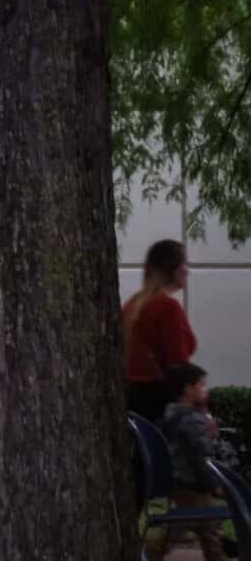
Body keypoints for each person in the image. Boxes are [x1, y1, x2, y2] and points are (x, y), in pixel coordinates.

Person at [145, 363, 229, 561]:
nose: (205, 390)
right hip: (193, 485)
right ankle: (147, 554)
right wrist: (216, 485)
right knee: (183, 528)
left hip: (182, 483)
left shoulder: (171, 414)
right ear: (188, 389)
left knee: (208, 530)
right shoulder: (192, 420)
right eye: (202, 385)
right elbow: (201, 455)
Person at [123, 240, 196, 422]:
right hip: (160, 402)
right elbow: (179, 364)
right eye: (184, 263)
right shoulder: (168, 306)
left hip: (133, 396)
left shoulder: (133, 304)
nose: (188, 270)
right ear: (172, 269)